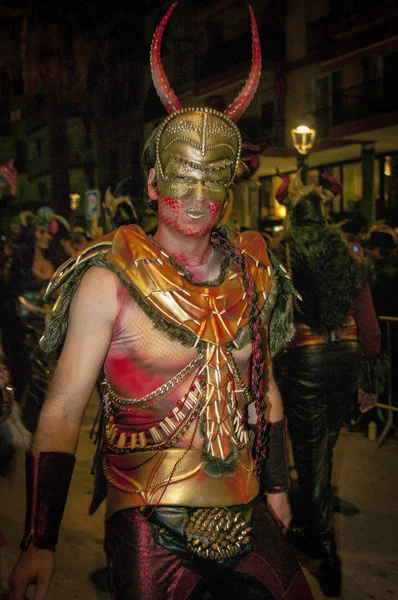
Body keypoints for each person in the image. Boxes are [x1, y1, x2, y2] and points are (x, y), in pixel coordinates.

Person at [8, 5, 314, 600]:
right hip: (151, 523)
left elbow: (264, 391)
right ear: (152, 182)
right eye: (182, 179)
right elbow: (64, 410)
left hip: (250, 511)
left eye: (214, 181)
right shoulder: (111, 279)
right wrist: (40, 538)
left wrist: (277, 487)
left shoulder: (254, 272)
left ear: (230, 187)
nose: (198, 198)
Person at [272, 170, 387, 597]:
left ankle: (324, 548)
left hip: (306, 358)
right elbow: (368, 319)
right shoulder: (345, 250)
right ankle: (312, 528)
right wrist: (369, 372)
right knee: (323, 446)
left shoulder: (282, 250)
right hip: (346, 357)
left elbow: (276, 318)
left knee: (310, 451)